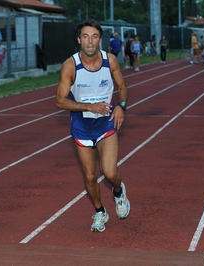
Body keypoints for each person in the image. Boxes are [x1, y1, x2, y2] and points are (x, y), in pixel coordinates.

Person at [55, 19, 130, 232]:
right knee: (89, 176)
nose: (90, 41)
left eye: (94, 36)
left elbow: (123, 87)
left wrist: (121, 107)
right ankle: (100, 212)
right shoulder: (70, 66)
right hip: (81, 126)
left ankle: (118, 191)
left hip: (105, 124)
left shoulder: (111, 61)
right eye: (85, 36)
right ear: (79, 40)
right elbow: (60, 100)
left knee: (109, 173)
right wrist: (89, 107)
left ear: (100, 39)